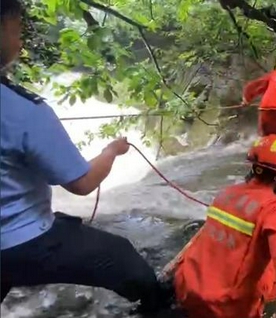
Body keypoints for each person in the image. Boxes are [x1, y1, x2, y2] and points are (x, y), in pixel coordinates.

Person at [0, 0, 171, 313]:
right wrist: (111, 151)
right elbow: (81, 183)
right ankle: (159, 307)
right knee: (123, 257)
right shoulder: (25, 111)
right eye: (16, 30)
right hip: (21, 244)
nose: (21, 40)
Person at [173, 135, 276, 318]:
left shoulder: (226, 193)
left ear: (252, 166)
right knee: (271, 277)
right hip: (223, 309)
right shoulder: (273, 209)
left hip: (186, 290)